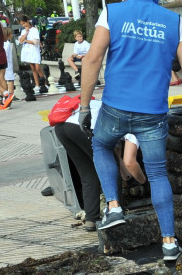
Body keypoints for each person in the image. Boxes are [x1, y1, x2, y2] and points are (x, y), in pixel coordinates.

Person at [79, 0, 182, 262]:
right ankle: (169, 243)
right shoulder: (175, 21)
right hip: (153, 113)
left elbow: (93, 59)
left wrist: (84, 106)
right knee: (158, 173)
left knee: (101, 144)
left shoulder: (113, 12)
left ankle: (114, 207)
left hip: (115, 108)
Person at [55, 98, 141, 230]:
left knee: (88, 173)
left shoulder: (118, 109)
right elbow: (129, 162)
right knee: (110, 167)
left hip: (63, 128)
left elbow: (119, 159)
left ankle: (91, 219)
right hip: (83, 127)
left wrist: (128, 179)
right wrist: (142, 181)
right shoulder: (136, 123)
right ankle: (116, 212)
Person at [18, 14, 45, 95]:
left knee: (38, 68)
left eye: (24, 23)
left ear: (27, 21)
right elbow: (20, 41)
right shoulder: (23, 31)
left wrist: (26, 40)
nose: (23, 25)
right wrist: (26, 34)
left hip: (34, 51)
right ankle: (37, 84)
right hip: (27, 51)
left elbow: (35, 42)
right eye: (22, 24)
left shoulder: (34, 30)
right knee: (33, 69)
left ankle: (44, 83)